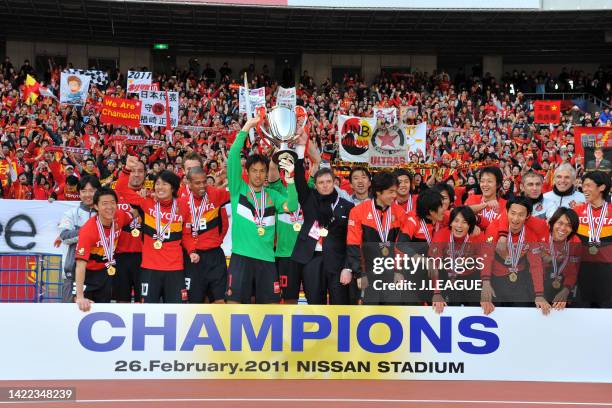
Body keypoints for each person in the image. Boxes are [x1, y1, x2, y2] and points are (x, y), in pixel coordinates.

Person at [226, 117, 298, 304]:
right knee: (234, 305)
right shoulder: (238, 190)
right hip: (241, 257)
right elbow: (233, 156)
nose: (258, 175)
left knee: (271, 308)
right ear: (247, 172)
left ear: (267, 173)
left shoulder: (272, 196)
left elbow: (292, 206)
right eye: (254, 171)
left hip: (267, 259)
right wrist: (246, 128)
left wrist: (290, 181)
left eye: (262, 171)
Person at [122, 157, 199, 303]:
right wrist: (126, 170)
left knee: (175, 312)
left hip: (175, 269)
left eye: (165, 184)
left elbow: (187, 235)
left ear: (173, 188)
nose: (160, 187)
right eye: (157, 184)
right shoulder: (147, 202)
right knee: (148, 311)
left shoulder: (183, 206)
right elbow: (122, 190)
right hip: (150, 268)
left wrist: (192, 251)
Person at [480, 196, 550, 316]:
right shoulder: (494, 228)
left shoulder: (531, 234)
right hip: (496, 278)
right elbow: (487, 258)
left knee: (522, 312)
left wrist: (539, 295)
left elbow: (536, 265)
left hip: (520, 279)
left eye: (521, 215)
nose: (516, 219)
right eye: (512, 213)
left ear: (527, 216)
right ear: (506, 212)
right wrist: (485, 283)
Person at [346, 172, 406, 304]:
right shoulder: (357, 212)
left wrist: (398, 271)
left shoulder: (400, 212)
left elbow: (402, 246)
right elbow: (353, 245)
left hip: (391, 273)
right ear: (378, 192)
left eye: (395, 191)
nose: (395, 195)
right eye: (391, 192)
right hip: (368, 272)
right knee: (369, 314)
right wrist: (359, 273)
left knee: (392, 314)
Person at [74, 188, 132, 311]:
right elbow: (80, 265)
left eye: (112, 202)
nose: (109, 207)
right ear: (96, 206)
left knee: (102, 310)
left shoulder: (119, 216)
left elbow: (133, 214)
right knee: (81, 309)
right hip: (88, 275)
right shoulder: (88, 230)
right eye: (104, 204)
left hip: (106, 272)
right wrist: (79, 296)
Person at [179, 166, 229, 303]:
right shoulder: (182, 202)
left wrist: (217, 240)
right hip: (194, 258)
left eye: (204, 182)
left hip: (215, 256)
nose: (202, 186)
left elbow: (236, 191)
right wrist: (191, 251)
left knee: (219, 301)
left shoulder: (215, 194)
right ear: (188, 184)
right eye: (197, 183)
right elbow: (183, 232)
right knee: (195, 302)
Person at [429, 206, 486, 314]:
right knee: (448, 308)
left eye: (464, 222)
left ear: (470, 225)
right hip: (447, 277)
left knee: (479, 307)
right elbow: (434, 265)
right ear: (450, 223)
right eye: (456, 221)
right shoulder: (441, 235)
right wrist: (437, 293)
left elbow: (485, 264)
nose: (459, 226)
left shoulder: (477, 236)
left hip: (470, 278)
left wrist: (486, 286)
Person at [57, 175, 100, 303]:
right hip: (73, 272)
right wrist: (89, 232)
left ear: (98, 191)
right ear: (79, 193)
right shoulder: (71, 213)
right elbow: (64, 236)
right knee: (68, 314)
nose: (88, 195)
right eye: (83, 191)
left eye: (92, 190)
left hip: (100, 272)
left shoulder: (105, 212)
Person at [572, 171, 611, 307]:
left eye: (589, 185)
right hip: (581, 273)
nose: (584, 189)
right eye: (583, 185)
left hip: (607, 275)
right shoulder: (576, 211)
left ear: (602, 187)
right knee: (582, 315)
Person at [113, 157, 147, 303]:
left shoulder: (152, 196)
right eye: (132, 171)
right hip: (120, 256)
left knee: (143, 301)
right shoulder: (116, 195)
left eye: (140, 171)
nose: (136, 174)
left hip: (144, 257)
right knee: (122, 301)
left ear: (145, 174)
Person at [541, 207, 581, 310]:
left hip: (562, 286)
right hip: (537, 287)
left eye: (569, 225)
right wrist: (538, 294)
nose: (563, 228)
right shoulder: (541, 235)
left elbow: (573, 272)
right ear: (552, 222)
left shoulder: (575, 242)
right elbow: (532, 269)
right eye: (560, 223)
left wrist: (566, 291)